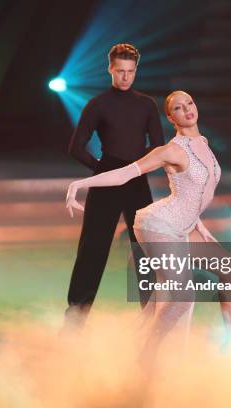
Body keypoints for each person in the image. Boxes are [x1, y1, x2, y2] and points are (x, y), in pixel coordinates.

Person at [66, 90, 231, 359]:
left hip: (184, 225)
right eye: (179, 108)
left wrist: (198, 223)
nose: (187, 110)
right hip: (159, 225)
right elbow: (125, 173)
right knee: (182, 297)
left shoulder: (203, 142)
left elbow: (196, 191)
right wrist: (80, 183)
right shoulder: (171, 150)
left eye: (190, 103)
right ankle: (146, 355)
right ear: (171, 117)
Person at [65, 43, 164, 328]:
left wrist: (135, 168)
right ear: (110, 69)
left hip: (137, 179)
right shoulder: (98, 104)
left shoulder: (146, 104)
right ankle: (75, 316)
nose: (124, 77)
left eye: (130, 72)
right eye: (119, 71)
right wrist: (104, 170)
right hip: (108, 179)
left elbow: (158, 146)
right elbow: (76, 147)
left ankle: (149, 314)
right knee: (92, 249)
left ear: (136, 71)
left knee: (144, 248)